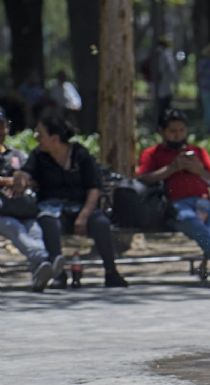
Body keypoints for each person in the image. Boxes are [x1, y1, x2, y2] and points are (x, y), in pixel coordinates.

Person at [13, 114, 128, 288]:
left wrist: (83, 216)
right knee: (48, 220)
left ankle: (111, 272)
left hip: (81, 207)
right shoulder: (38, 156)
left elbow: (94, 187)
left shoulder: (80, 154)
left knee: (101, 223)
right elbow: (25, 172)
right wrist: (20, 178)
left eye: (40, 135)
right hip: (52, 208)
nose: (37, 139)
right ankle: (58, 273)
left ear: (54, 138)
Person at [136, 108, 210, 288]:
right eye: (173, 131)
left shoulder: (198, 152)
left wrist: (198, 170)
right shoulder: (153, 153)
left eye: (181, 131)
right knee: (193, 223)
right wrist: (172, 168)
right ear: (162, 132)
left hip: (204, 202)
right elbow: (143, 178)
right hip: (175, 205)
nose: (178, 135)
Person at [0, 108, 64, 291]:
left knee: (36, 231)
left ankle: (40, 276)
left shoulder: (17, 155)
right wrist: (9, 181)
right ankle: (47, 260)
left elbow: (36, 176)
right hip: (3, 212)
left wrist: (25, 182)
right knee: (15, 229)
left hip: (24, 207)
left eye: (1, 126)